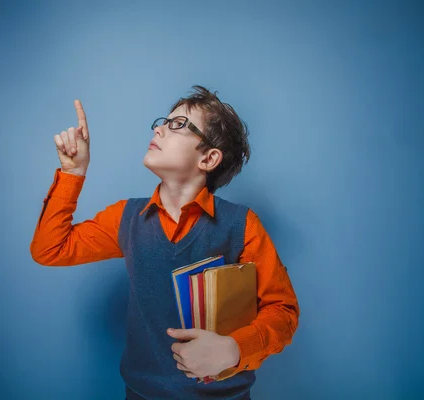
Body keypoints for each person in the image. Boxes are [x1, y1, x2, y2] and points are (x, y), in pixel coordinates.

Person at [30, 86, 300, 400]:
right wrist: (72, 172)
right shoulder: (126, 218)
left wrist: (236, 349)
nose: (159, 128)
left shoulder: (242, 225)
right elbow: (51, 249)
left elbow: (282, 311)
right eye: (162, 121)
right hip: (142, 394)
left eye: (178, 124)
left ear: (209, 158)